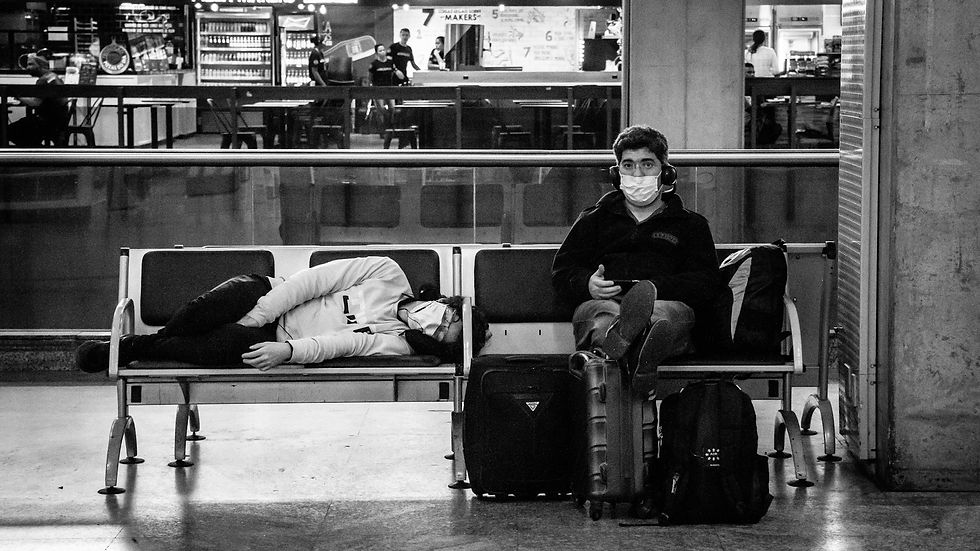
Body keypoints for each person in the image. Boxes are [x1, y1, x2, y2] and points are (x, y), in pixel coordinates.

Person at [76, 256, 490, 373]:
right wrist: (257, 315)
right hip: (267, 293)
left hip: (275, 340)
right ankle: (135, 347)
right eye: (450, 317)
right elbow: (312, 281)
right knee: (203, 312)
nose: (439, 324)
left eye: (443, 335)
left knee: (223, 348)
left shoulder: (397, 343)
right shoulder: (388, 272)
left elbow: (342, 344)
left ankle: (127, 348)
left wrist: (287, 352)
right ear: (449, 303)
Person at [551, 125, 722, 388]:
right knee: (604, 318)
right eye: (628, 165)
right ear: (616, 173)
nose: (637, 173)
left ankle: (624, 347)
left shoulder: (690, 225)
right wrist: (587, 284)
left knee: (663, 317)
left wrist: (655, 288)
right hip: (605, 302)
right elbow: (562, 273)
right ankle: (641, 356)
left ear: (665, 171)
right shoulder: (593, 220)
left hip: (664, 303)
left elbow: (706, 282)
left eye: (647, 164)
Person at [9, 52, 69, 147]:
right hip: (58, 121)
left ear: (41, 65)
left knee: (8, 131)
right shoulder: (53, 76)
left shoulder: (43, 80)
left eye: (31, 64)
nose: (27, 68)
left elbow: (35, 103)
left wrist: (18, 96)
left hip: (47, 123)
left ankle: (32, 150)